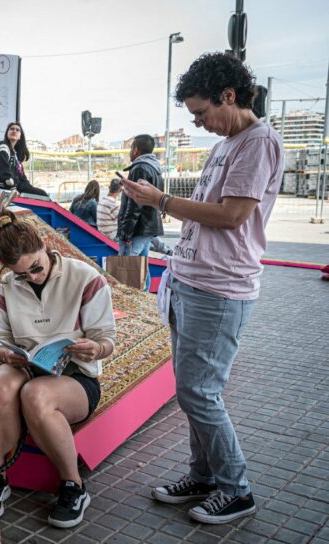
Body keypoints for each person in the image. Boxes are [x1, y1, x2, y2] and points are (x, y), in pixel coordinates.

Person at [121, 52, 284, 525]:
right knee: (192, 391)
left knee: (200, 393)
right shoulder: (227, 143)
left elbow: (233, 215)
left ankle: (236, 489)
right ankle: (204, 475)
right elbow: (210, 207)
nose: (199, 123)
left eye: (201, 113)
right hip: (191, 281)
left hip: (220, 287)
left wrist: (162, 200)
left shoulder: (257, 143)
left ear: (228, 97)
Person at [0, 209, 116, 528]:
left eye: (36, 268)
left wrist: (95, 348)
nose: (32, 278)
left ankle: (74, 485)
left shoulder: (85, 277)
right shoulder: (8, 286)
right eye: (22, 275)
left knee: (36, 395)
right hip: (27, 364)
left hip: (76, 376)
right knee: (1, 386)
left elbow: (106, 339)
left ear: (47, 247)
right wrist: (5, 353)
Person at [117, 134, 165, 289]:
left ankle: (129, 307)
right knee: (143, 268)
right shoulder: (155, 167)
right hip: (148, 227)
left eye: (131, 148)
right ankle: (145, 301)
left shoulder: (139, 168)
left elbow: (134, 204)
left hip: (137, 229)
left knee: (126, 269)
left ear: (136, 150)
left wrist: (126, 232)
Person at [0, 122, 49, 197]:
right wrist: (13, 190)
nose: (14, 131)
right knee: (42, 195)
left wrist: (30, 188)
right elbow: (3, 171)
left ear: (20, 136)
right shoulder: (3, 147)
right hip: (7, 188)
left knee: (42, 194)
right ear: (7, 133)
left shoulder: (15, 154)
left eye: (17, 130)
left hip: (19, 186)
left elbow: (22, 178)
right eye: (11, 129)